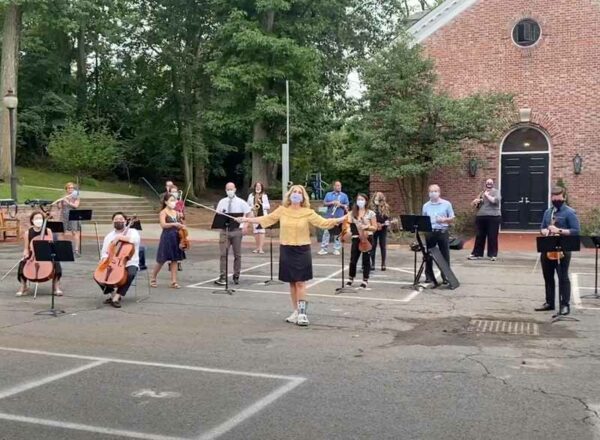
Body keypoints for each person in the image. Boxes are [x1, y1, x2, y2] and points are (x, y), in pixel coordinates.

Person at [237, 185, 345, 326]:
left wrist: (342, 218)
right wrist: (246, 220)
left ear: (303, 196)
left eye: (299, 192)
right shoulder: (282, 210)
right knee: (292, 283)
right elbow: (267, 219)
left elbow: (323, 223)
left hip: (302, 249)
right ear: (290, 195)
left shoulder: (308, 212)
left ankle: (302, 314)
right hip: (286, 248)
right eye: (294, 192)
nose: (296, 194)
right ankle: (295, 311)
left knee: (300, 282)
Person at [535, 187, 580, 316]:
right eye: (553, 198)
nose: (555, 200)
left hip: (563, 249)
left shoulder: (570, 212)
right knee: (548, 276)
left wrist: (559, 230)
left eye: (558, 198)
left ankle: (565, 305)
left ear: (563, 198)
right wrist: (544, 231)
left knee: (563, 277)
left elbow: (576, 231)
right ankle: (549, 302)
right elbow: (542, 227)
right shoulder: (548, 212)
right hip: (547, 247)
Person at [97, 212, 141, 308]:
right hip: (113, 262)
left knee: (130, 274)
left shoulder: (133, 231)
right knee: (98, 275)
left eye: (121, 219)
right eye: (116, 219)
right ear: (112, 221)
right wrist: (104, 260)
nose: (118, 221)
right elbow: (104, 252)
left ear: (125, 221)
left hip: (130, 261)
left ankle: (117, 296)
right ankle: (112, 294)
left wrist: (120, 237)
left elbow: (134, 240)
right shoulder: (109, 236)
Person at [16, 211, 63, 296]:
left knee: (56, 262)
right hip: (33, 254)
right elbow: (26, 248)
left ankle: (56, 286)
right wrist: (25, 254)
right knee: (22, 263)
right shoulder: (28, 233)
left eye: (40, 218)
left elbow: (51, 245)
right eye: (36, 218)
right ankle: (23, 286)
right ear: (32, 220)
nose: (39, 220)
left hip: (45, 253)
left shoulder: (47, 230)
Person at [214, 182, 252, 285]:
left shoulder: (241, 202)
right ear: (225, 190)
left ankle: (236, 275)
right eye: (227, 189)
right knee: (223, 254)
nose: (229, 191)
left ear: (235, 189)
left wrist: (246, 225)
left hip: (236, 231)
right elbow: (218, 214)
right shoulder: (222, 202)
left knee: (237, 254)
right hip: (225, 231)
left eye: (231, 189)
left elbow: (249, 213)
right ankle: (223, 276)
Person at [151, 194, 186, 289]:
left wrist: (182, 222)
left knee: (174, 259)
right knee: (162, 259)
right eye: (171, 200)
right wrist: (174, 224)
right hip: (167, 237)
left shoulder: (176, 212)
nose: (173, 202)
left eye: (174, 200)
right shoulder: (163, 212)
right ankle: (153, 277)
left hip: (176, 236)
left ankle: (174, 281)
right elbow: (163, 225)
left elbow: (182, 224)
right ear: (166, 202)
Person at [422, 184, 455, 287]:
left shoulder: (446, 204)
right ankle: (429, 276)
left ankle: (446, 276)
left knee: (445, 255)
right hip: (430, 232)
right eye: (431, 191)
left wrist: (444, 220)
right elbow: (423, 219)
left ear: (439, 192)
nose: (433, 193)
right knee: (428, 254)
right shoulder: (426, 205)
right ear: (429, 193)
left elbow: (452, 218)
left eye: (435, 191)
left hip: (442, 231)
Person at [346, 194, 377, 289]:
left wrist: (367, 226)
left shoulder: (371, 213)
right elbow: (348, 226)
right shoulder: (352, 213)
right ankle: (351, 278)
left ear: (366, 201)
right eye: (358, 199)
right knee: (353, 259)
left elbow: (374, 227)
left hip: (367, 238)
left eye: (362, 199)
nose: (360, 201)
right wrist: (348, 231)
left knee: (366, 260)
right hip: (356, 237)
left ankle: (365, 280)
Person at [468, 178, 502, 261]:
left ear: (493, 183)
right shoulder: (482, 193)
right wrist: (476, 201)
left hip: (493, 216)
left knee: (492, 236)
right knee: (479, 236)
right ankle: (477, 253)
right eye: (487, 182)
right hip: (481, 216)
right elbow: (474, 205)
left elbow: (495, 201)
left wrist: (487, 195)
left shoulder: (496, 192)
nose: (489, 184)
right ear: (485, 184)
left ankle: (492, 254)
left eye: (490, 182)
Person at [318, 180, 349, 256]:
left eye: (340, 186)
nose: (339, 187)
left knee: (338, 234)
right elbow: (324, 203)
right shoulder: (328, 194)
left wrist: (340, 205)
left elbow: (347, 205)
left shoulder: (344, 195)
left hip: (339, 217)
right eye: (337, 185)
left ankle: (336, 249)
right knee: (326, 232)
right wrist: (331, 202)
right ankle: (323, 249)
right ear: (334, 186)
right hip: (329, 216)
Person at [369, 191, 391, 271]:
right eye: (375, 197)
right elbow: (369, 218)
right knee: (373, 246)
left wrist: (383, 224)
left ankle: (383, 264)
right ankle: (372, 264)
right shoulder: (371, 207)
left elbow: (387, 219)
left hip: (383, 229)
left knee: (383, 246)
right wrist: (375, 224)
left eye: (378, 198)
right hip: (374, 228)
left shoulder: (386, 207)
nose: (376, 199)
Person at [58, 182, 81, 256]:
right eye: (69, 188)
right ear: (66, 189)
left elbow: (76, 206)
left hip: (73, 215)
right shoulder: (64, 196)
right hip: (64, 216)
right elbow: (60, 207)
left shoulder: (76, 197)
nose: (70, 189)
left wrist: (67, 201)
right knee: (62, 232)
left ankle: (76, 250)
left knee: (74, 232)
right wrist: (59, 202)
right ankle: (60, 249)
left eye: (72, 188)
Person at [247, 182, 270, 254]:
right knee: (256, 232)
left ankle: (261, 248)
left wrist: (262, 204)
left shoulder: (264, 196)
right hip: (254, 215)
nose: (258, 187)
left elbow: (268, 206)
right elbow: (247, 206)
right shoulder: (251, 195)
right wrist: (252, 208)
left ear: (262, 187)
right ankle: (257, 247)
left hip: (262, 215)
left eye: (259, 186)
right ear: (255, 187)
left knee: (261, 231)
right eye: (257, 186)